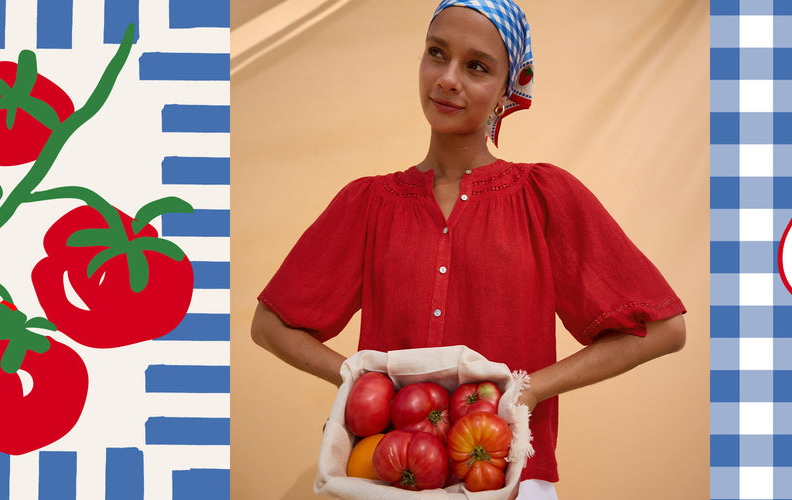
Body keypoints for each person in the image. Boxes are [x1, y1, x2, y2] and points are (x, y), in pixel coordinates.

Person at [250, 1, 685, 497]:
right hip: (385, 481)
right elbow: (270, 325)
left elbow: (663, 329)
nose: (448, 78)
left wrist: (530, 389)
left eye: (476, 66)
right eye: (437, 54)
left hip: (511, 485)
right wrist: (358, 377)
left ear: (507, 88)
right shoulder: (368, 203)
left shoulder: (544, 198)